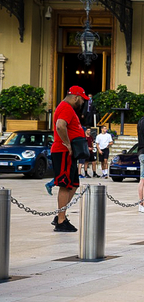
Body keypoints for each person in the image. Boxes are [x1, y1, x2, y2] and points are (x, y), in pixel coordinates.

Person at [51, 85, 89, 232]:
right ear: (75, 97)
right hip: (63, 151)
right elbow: (61, 126)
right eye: (81, 99)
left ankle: (61, 215)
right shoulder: (66, 108)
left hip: (68, 152)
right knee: (65, 184)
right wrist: (67, 143)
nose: (82, 103)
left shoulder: (67, 108)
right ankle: (61, 221)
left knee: (73, 183)